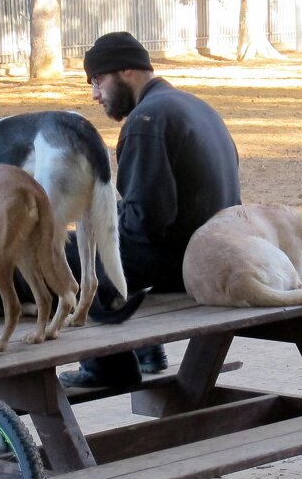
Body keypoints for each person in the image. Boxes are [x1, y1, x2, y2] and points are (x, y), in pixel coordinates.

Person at [59, 31, 242, 388]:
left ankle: (107, 367)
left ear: (126, 71)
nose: (95, 94)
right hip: (215, 247)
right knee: (92, 245)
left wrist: (97, 225)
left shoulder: (146, 122)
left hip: (182, 261)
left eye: (98, 80)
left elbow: (145, 222)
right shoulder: (193, 105)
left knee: (61, 256)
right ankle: (147, 350)